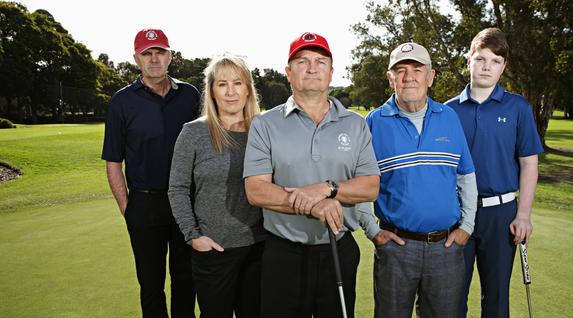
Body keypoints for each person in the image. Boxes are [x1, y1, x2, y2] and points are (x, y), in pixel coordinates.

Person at [243, 32, 380, 318]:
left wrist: (327, 188)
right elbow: (256, 190)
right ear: (288, 73)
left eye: (320, 61)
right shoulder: (265, 124)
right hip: (283, 255)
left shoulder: (356, 124)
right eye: (302, 61)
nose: (312, 68)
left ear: (331, 72)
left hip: (338, 251)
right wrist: (316, 205)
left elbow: (370, 187)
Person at [359, 42, 478, 318]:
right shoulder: (374, 122)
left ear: (431, 76)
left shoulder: (449, 117)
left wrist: (467, 226)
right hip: (396, 249)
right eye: (400, 70)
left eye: (417, 69)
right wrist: (371, 230)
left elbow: (466, 176)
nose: (408, 76)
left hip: (446, 249)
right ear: (390, 78)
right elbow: (360, 184)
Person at [445, 28, 544, 318]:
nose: (487, 66)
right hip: (456, 213)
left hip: (500, 215)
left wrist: (523, 215)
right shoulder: (447, 111)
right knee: (451, 297)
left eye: (495, 61)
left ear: (504, 67)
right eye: (481, 59)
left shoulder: (518, 108)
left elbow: (529, 164)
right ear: (469, 61)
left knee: (497, 298)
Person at [102, 28, 198, 318]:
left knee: (186, 280)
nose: (154, 59)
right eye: (147, 53)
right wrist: (127, 208)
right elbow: (113, 161)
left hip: (186, 202)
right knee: (151, 284)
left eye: (160, 52)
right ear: (136, 58)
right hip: (145, 204)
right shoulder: (122, 101)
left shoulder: (190, 95)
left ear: (170, 56)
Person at [168, 56, 266, 318]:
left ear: (248, 89)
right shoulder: (193, 133)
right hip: (214, 251)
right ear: (212, 91)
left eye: (238, 83)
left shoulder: (265, 130)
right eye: (222, 84)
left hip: (259, 248)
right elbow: (177, 188)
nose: (231, 91)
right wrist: (193, 236)